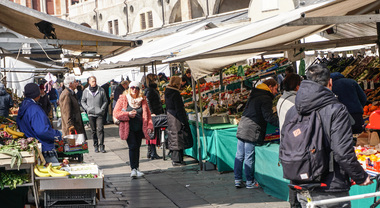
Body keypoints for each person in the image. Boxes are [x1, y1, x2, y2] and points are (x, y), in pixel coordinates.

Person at [284, 64, 372, 207]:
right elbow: (342, 151)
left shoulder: (293, 111)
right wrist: (361, 177)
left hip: (300, 183)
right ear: (330, 82)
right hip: (331, 186)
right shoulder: (336, 110)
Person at [234, 79, 279, 189]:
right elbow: (268, 116)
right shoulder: (265, 98)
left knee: (240, 155)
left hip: (243, 125)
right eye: (276, 89)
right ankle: (250, 182)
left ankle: (238, 180)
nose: (276, 92)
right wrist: (281, 123)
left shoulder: (255, 93)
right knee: (249, 155)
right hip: (252, 128)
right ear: (270, 86)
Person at [113, 81, 153, 178]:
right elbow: (116, 113)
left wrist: (150, 126)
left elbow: (148, 114)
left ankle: (137, 168)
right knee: (133, 146)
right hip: (128, 128)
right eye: (132, 87)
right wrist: (128, 114)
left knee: (137, 147)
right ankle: (133, 169)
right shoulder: (123, 99)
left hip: (139, 127)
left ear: (139, 90)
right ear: (129, 89)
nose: (134, 90)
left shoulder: (142, 100)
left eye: (136, 88)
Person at [17, 83, 62, 163]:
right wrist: (56, 134)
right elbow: (42, 131)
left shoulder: (23, 106)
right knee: (55, 172)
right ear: (37, 94)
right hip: (43, 148)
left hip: (32, 146)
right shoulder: (34, 109)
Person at [275, 74, 301, 208]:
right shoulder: (294, 100)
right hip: (295, 142)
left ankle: (294, 204)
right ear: (297, 86)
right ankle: (295, 204)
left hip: (286, 141)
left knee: (293, 176)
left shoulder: (282, 98)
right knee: (297, 176)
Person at [165, 76, 193, 166]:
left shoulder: (168, 91)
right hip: (176, 117)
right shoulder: (175, 93)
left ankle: (178, 159)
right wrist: (183, 120)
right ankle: (177, 160)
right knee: (177, 137)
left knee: (175, 137)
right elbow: (179, 108)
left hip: (171, 116)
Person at [82, 76, 108, 153]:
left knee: (100, 129)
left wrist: (102, 109)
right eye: (93, 81)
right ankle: (95, 145)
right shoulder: (86, 91)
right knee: (93, 131)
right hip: (91, 114)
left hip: (99, 113)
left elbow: (105, 101)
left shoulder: (101, 90)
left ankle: (101, 146)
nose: (94, 82)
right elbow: (82, 101)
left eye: (95, 81)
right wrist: (87, 108)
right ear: (89, 82)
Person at [145, 74, 164, 160]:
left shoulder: (150, 89)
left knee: (151, 133)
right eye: (156, 79)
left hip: (155, 112)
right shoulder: (150, 90)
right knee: (153, 133)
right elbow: (148, 101)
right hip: (154, 114)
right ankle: (153, 152)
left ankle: (150, 152)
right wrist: (151, 112)